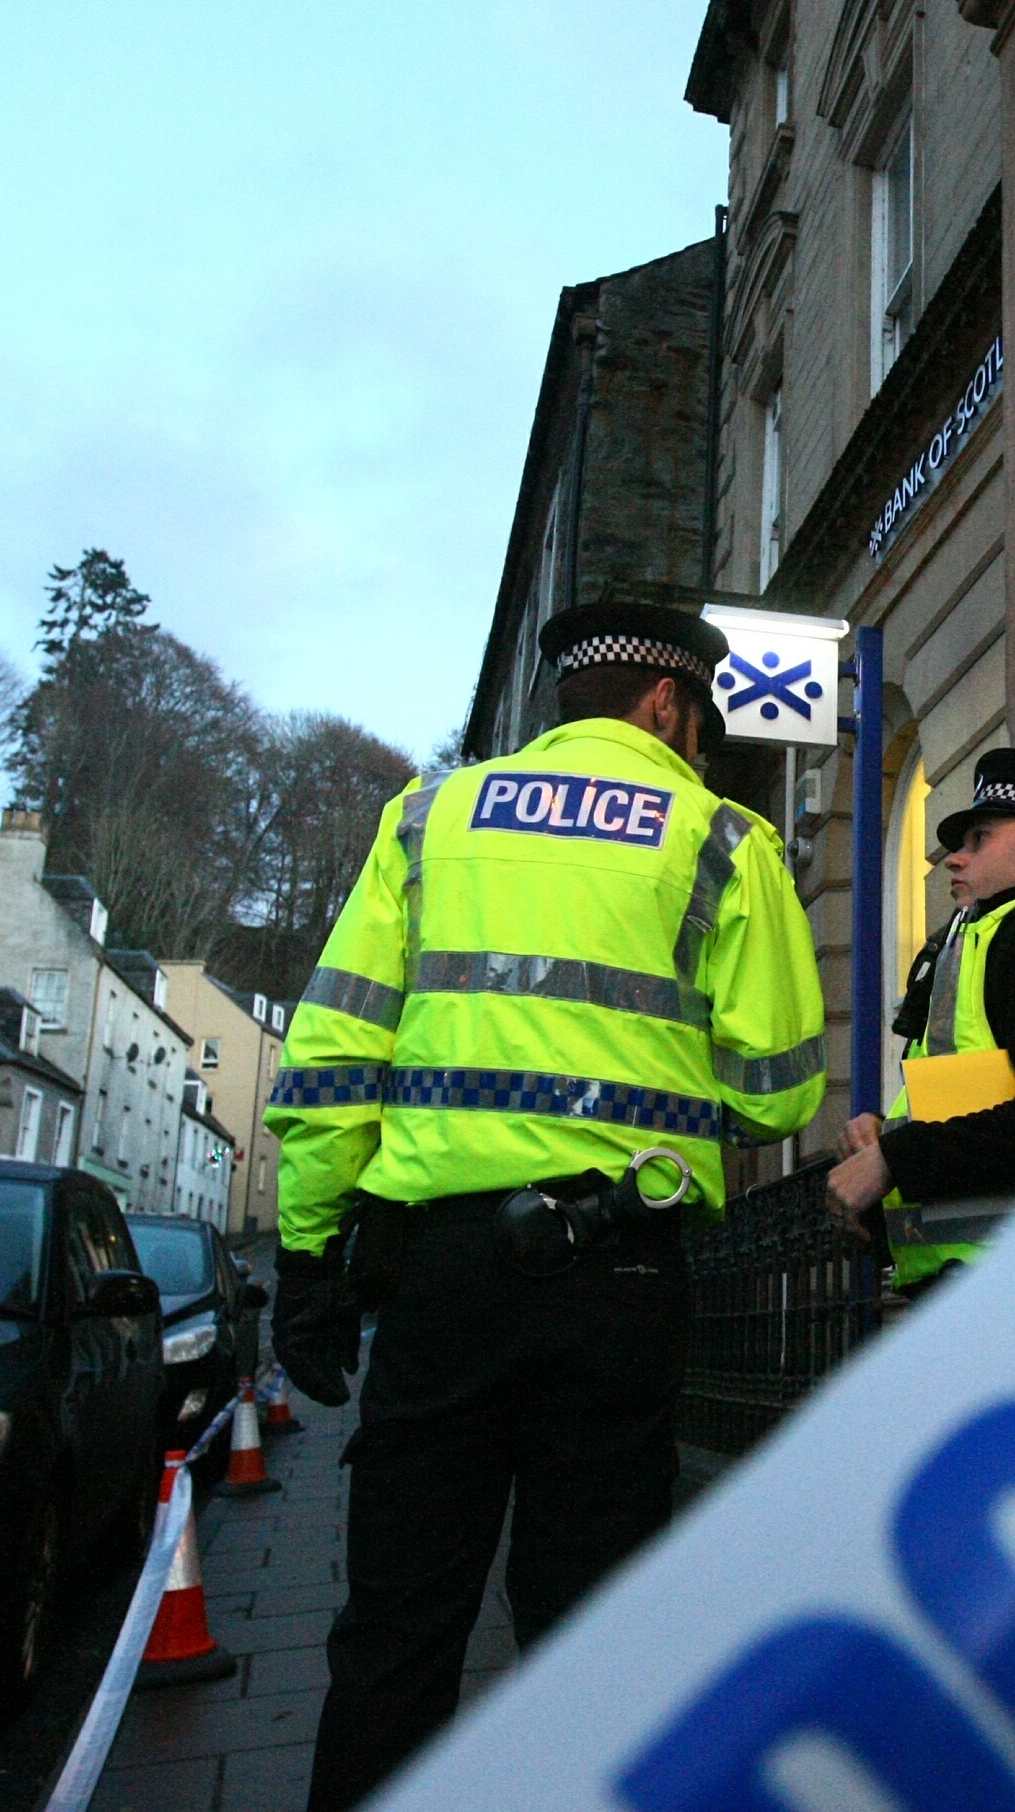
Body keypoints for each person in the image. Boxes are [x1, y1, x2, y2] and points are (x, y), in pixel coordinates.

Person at [264, 601, 826, 1812]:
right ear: (668, 705)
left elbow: (330, 1063)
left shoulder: (425, 819)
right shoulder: (724, 838)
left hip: (439, 1274)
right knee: (586, 1621)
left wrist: (306, 1259)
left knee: (399, 1623)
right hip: (619, 1274)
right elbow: (778, 1090)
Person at [826, 747, 1015, 1289]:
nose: (954, 857)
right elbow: (985, 1100)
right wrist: (887, 1145)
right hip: (1000, 1277)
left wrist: (891, 1162)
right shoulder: (994, 936)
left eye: (980, 839)